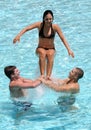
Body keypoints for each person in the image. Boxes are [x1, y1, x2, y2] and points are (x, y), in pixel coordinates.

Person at [13, 10, 74, 80]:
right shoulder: (40, 25)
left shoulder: (55, 27)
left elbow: (63, 38)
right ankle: (42, 75)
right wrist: (18, 36)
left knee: (50, 54)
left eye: (50, 19)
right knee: (42, 53)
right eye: (47, 19)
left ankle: (48, 76)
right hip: (40, 48)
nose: (49, 21)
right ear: (44, 19)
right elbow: (27, 28)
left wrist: (69, 49)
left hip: (51, 48)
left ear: (53, 19)